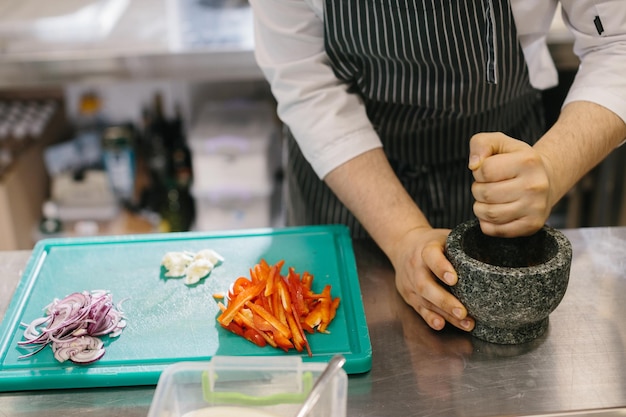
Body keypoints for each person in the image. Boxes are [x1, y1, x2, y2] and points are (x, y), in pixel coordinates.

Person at [248, 0, 626, 332]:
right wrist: (402, 236)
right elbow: (307, 83)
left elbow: (617, 44)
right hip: (351, 181)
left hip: (497, 166)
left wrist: (551, 166)